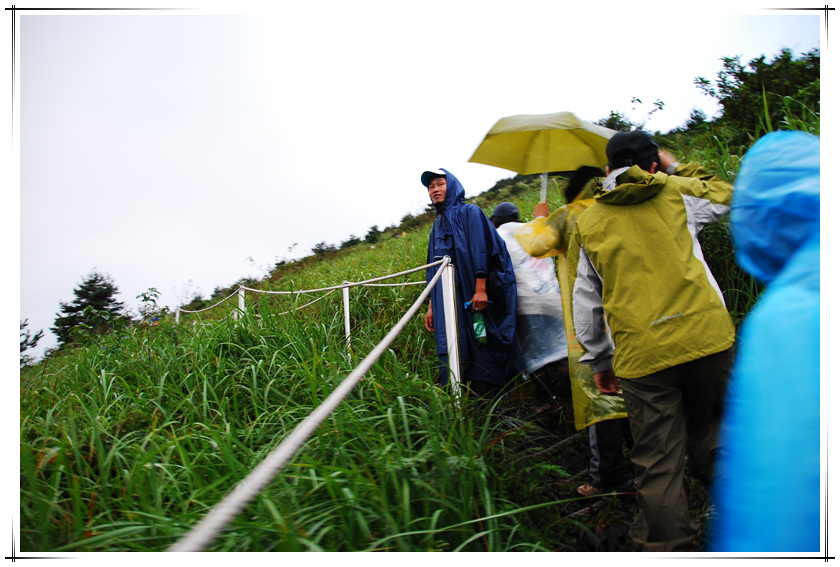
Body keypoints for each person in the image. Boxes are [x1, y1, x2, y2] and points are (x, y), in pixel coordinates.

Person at [569, 130, 736, 551]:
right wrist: (677, 166)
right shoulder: (678, 192)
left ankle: (670, 548)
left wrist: (600, 362)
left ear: (607, 171)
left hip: (642, 358)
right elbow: (725, 194)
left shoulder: (588, 223)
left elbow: (586, 304)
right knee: (715, 432)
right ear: (654, 166)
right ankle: (740, 519)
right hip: (706, 339)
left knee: (658, 463)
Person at [710, 131, 820, 552]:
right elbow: (714, 194)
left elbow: (780, 515)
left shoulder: (792, 313)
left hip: (640, 355)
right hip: (706, 338)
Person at [513, 169, 634, 498]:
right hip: (628, 315)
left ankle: (607, 475)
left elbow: (535, 246)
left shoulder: (568, 216)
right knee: (633, 389)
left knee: (600, 397)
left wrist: (539, 219)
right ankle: (647, 463)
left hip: (589, 321)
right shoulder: (617, 208)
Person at [422, 168, 526, 399]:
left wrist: (481, 288)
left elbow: (482, 250)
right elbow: (432, 267)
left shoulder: (470, 213)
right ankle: (462, 404)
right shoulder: (436, 227)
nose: (435, 190)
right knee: (452, 344)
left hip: (471, 294)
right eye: (431, 187)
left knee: (480, 344)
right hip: (447, 301)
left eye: (440, 184)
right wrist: (432, 306)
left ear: (452, 186)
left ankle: (491, 405)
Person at [489, 202, 570, 413]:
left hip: (526, 304)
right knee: (560, 348)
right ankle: (574, 392)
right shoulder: (532, 229)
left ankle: (548, 402)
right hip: (552, 299)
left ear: (496, 220)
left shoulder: (497, 237)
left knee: (534, 355)